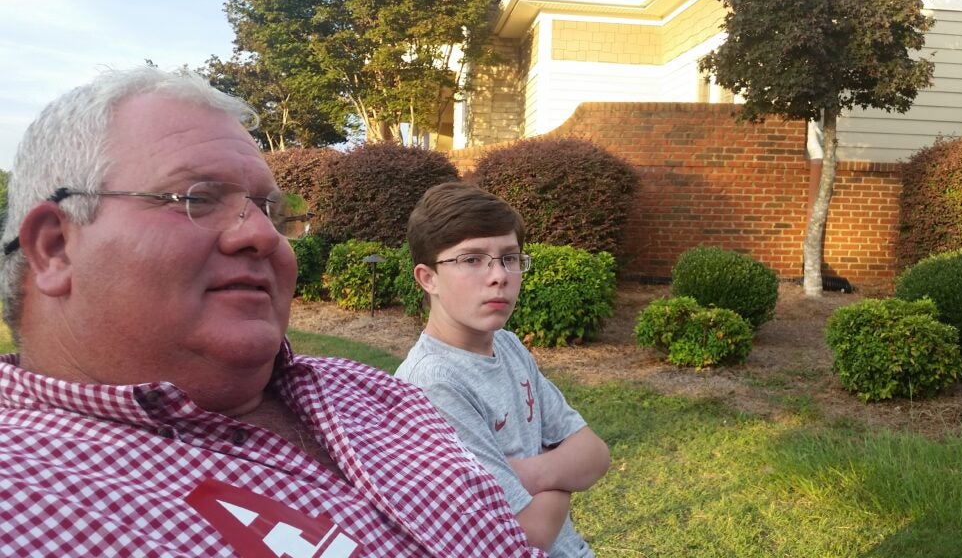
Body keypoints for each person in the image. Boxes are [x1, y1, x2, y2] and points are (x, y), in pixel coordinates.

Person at [0, 66, 544, 557]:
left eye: (269, 209)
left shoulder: (381, 395)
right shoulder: (27, 498)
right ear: (55, 248)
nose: (263, 234)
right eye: (197, 197)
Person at [396, 182, 611, 557]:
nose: (499, 276)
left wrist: (530, 475)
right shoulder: (434, 384)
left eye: (510, 258)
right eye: (471, 259)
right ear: (428, 278)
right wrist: (562, 472)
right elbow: (528, 534)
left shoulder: (507, 345)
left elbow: (594, 455)